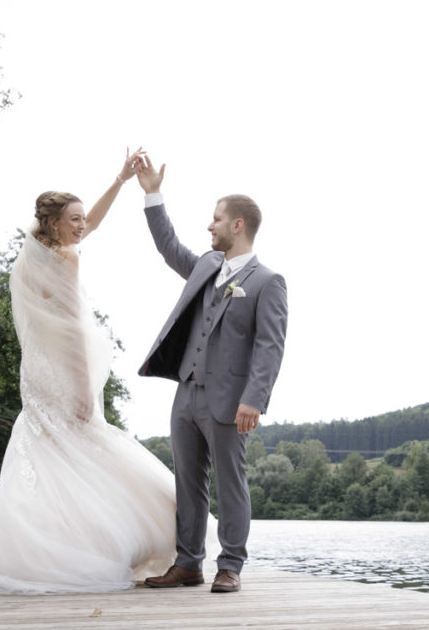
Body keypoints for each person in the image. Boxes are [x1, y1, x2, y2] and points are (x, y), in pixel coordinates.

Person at [0, 150, 177, 594]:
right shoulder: (66, 261)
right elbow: (72, 327)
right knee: (92, 449)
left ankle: (50, 546)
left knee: (55, 460)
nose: (81, 225)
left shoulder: (33, 251)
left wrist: (120, 180)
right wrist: (84, 387)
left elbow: (92, 223)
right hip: (64, 373)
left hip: (37, 374)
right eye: (73, 219)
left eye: (80, 218)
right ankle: (159, 524)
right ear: (54, 224)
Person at [135, 154, 288, 593]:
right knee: (188, 483)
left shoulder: (267, 282)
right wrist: (152, 194)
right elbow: (169, 247)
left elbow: (269, 346)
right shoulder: (204, 267)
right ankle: (188, 564)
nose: (210, 226)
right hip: (186, 394)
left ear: (237, 225)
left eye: (216, 219)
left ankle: (231, 565)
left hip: (230, 400)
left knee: (231, 484)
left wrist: (254, 400)